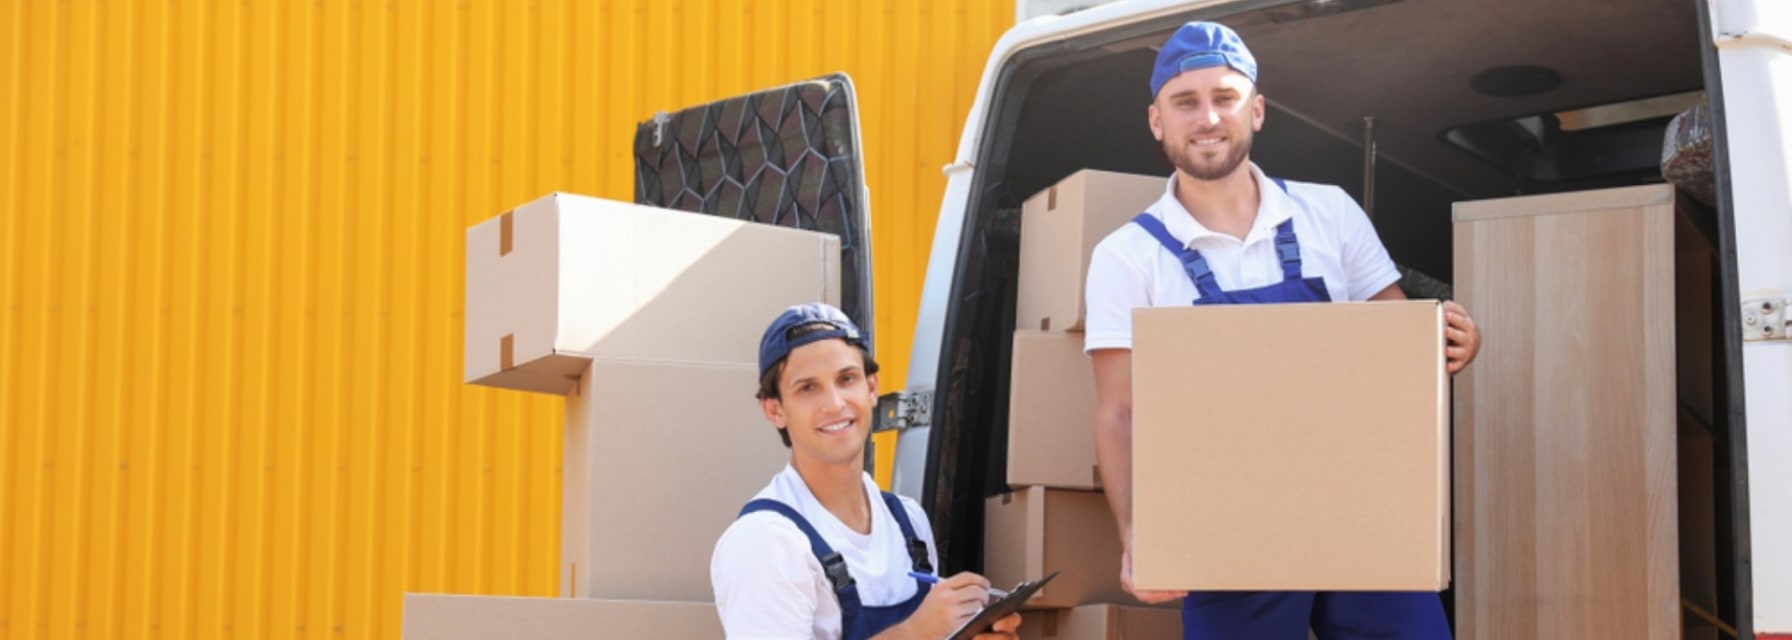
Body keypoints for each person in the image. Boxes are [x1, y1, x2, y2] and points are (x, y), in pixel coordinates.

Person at [1083, 21, 1483, 640]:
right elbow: (1120, 410)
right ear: (1157, 120)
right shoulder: (1127, 257)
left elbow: (1400, 346)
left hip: (1362, 514)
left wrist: (1450, 342)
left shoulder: (1331, 214)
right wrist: (1138, 534)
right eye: (1185, 102)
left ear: (1258, 110)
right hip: (1223, 529)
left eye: (1225, 98)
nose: (1207, 118)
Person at [711, 303, 1023, 640]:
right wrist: (915, 633)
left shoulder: (908, 522)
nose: (834, 403)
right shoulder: (765, 542)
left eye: (846, 379)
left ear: (872, 388)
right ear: (774, 410)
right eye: (807, 388)